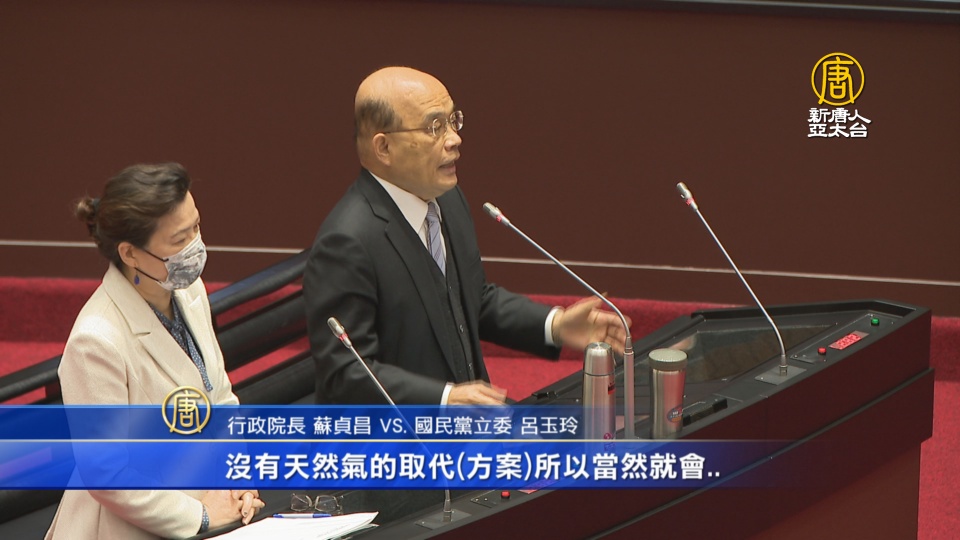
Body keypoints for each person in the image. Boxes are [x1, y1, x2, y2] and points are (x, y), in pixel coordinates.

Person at [304, 66, 628, 405]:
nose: (454, 139)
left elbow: (473, 299)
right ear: (384, 148)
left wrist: (556, 325)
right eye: (434, 127)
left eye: (452, 121)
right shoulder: (347, 243)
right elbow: (345, 374)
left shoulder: (446, 200)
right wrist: (446, 399)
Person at [45, 163, 264, 540]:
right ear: (130, 253)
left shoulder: (188, 290)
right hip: (131, 528)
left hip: (211, 507)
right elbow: (108, 474)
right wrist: (202, 515)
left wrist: (237, 478)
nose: (195, 246)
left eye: (196, 227)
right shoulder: (96, 340)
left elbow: (219, 397)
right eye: (179, 240)